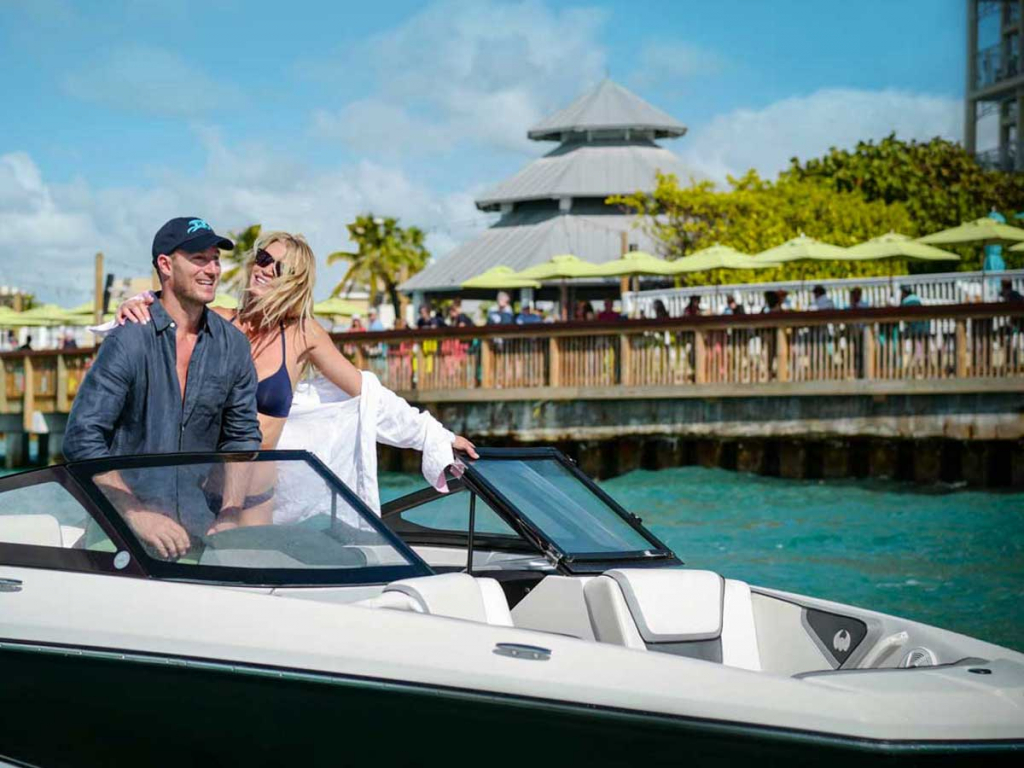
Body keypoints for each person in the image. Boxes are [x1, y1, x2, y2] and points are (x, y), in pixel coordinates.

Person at [116, 230, 477, 511]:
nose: (265, 269)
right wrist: (138, 303)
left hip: (255, 498)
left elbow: (368, 395)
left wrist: (434, 435)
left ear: (295, 280)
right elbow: (169, 306)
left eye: (280, 268)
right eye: (262, 257)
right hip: (199, 489)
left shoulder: (303, 334)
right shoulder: (217, 321)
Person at [66, 216, 263, 558]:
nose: (212, 269)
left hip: (200, 533)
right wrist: (136, 514)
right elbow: (82, 437)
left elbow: (242, 438)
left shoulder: (233, 345)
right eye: (199, 258)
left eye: (215, 258)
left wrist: (231, 512)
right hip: (119, 533)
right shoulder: (129, 339)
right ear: (166, 265)